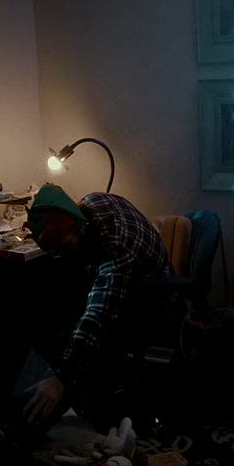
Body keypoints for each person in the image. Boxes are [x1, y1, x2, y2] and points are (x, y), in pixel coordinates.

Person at [19, 184, 174, 431]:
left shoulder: (115, 245)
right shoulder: (89, 205)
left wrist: (62, 379)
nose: (62, 253)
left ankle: (87, 417)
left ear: (78, 228)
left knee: (86, 339)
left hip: (151, 302)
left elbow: (99, 314)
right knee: (54, 313)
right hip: (129, 285)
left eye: (63, 246)